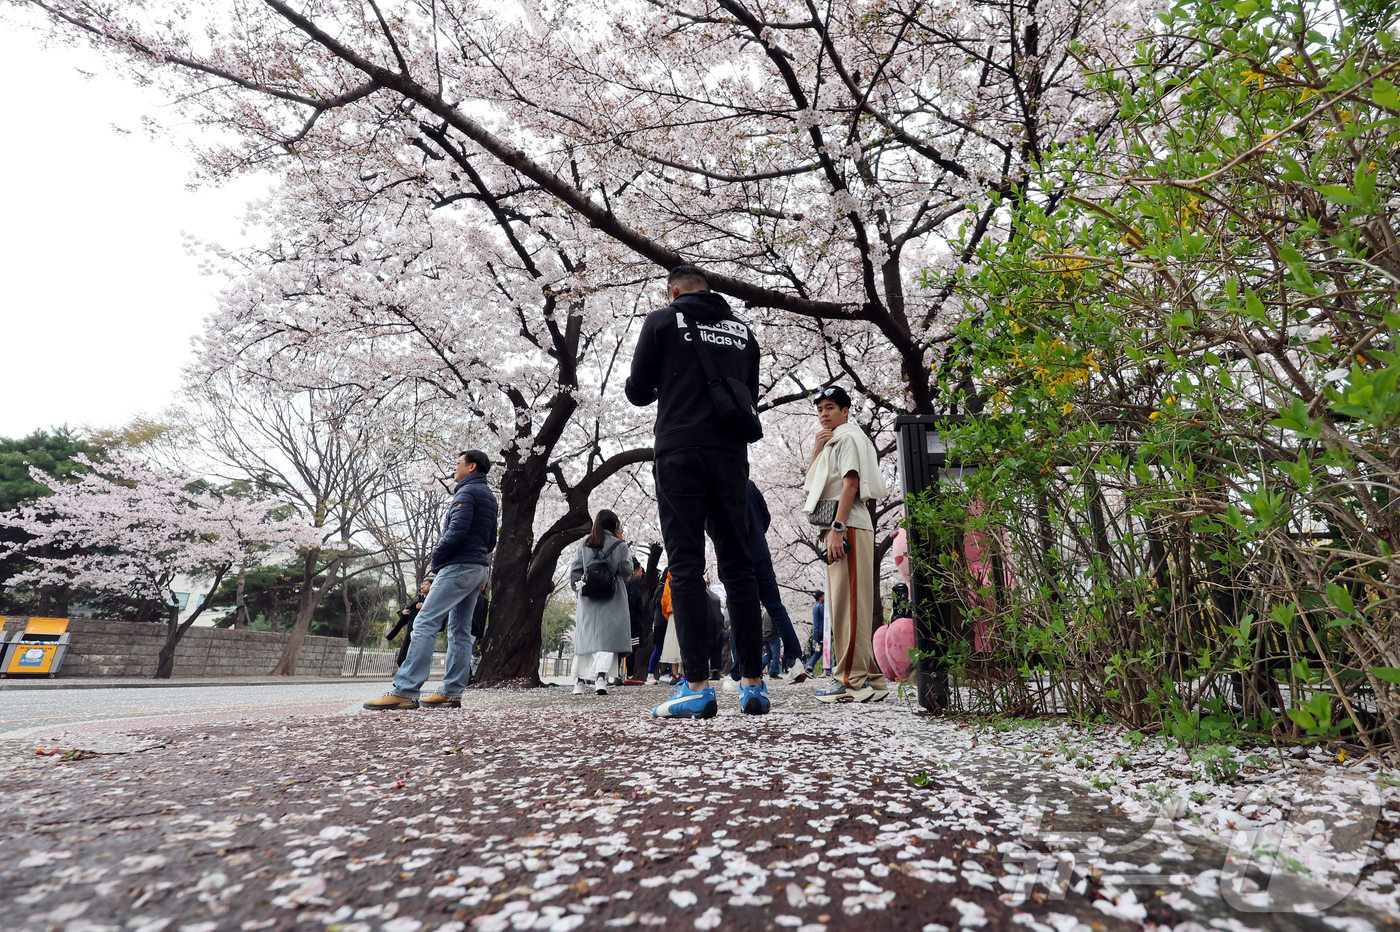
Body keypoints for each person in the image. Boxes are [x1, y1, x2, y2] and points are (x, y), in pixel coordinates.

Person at [626, 265, 767, 718]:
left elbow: (637, 391)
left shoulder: (663, 321)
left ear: (674, 292)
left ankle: (697, 686)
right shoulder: (743, 332)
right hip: (730, 455)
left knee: (685, 565)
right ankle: (753, 685)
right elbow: (749, 394)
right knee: (738, 565)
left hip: (679, 449)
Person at [364, 450, 498, 710]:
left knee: (424, 622)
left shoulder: (466, 492)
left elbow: (456, 531)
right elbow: (491, 540)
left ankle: (405, 690)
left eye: (458, 463)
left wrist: (437, 557)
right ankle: (451, 691)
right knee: (460, 630)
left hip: (458, 566)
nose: (454, 468)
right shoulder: (490, 497)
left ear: (471, 467)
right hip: (478, 567)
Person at [803, 387, 890, 703]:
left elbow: (851, 484)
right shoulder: (836, 439)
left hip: (847, 526)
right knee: (850, 603)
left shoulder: (849, 437)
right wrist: (816, 447)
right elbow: (813, 486)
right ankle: (872, 679)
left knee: (847, 605)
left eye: (830, 407)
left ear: (846, 411)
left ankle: (850, 681)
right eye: (820, 409)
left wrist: (837, 529)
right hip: (845, 526)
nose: (824, 414)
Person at [568, 510, 634, 696]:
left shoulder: (584, 544)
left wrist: (578, 589)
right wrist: (623, 549)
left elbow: (575, 570)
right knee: (606, 640)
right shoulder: (619, 545)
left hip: (588, 597)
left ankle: (579, 683)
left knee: (585, 639)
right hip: (611, 597)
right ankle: (601, 679)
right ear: (614, 525)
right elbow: (627, 570)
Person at [386, 577, 432, 669]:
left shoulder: (433, 600)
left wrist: (425, 606)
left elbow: (438, 611)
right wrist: (403, 612)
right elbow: (407, 607)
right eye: (422, 584)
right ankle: (401, 676)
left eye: (426, 584)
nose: (423, 586)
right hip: (411, 631)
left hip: (424, 633)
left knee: (417, 657)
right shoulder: (418, 599)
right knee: (402, 657)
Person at [805, 591, 825, 675]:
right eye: (824, 596)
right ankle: (827, 670)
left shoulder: (815, 606)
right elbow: (826, 616)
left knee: (818, 651)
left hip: (817, 633)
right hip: (821, 632)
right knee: (824, 650)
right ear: (820, 597)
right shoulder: (820, 606)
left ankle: (810, 668)